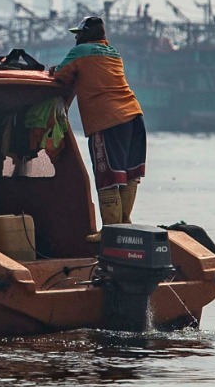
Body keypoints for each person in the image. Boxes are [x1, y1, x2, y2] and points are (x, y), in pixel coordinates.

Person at [49, 14, 146, 228]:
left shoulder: (80, 52)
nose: (76, 39)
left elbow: (60, 76)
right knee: (129, 175)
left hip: (107, 120)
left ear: (84, 35)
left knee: (107, 176)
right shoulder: (114, 53)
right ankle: (125, 223)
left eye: (79, 34)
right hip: (134, 116)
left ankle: (111, 229)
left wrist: (55, 69)